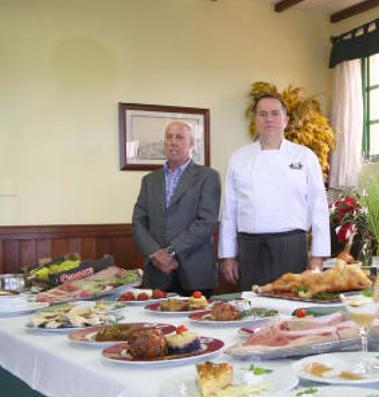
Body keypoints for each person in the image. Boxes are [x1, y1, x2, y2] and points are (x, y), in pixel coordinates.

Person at [219, 94, 330, 290]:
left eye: (274, 113)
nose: (268, 119)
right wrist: (228, 256)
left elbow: (319, 208)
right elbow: (229, 211)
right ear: (255, 121)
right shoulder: (238, 158)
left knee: (291, 309)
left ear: (285, 120)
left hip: (291, 246)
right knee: (253, 309)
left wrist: (317, 257)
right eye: (262, 114)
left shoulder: (305, 156)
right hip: (250, 249)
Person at [132, 121, 221, 296]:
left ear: (191, 143)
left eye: (179, 137)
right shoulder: (149, 180)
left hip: (195, 273)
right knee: (155, 323)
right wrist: (156, 254)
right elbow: (138, 223)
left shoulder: (208, 177)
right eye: (169, 137)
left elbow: (206, 222)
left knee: (197, 321)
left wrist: (170, 251)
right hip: (157, 273)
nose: (173, 142)